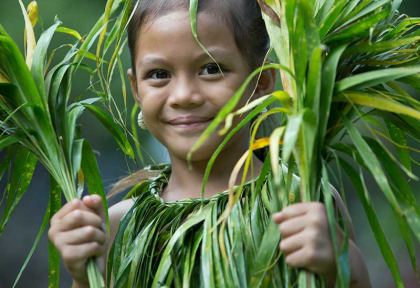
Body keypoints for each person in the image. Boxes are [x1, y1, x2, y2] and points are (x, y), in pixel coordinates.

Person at [48, 0, 371, 287]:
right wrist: (84, 276)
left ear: (262, 80)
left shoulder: (302, 205)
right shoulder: (118, 227)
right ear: (135, 88)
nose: (184, 96)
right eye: (159, 74)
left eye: (211, 69)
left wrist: (347, 269)